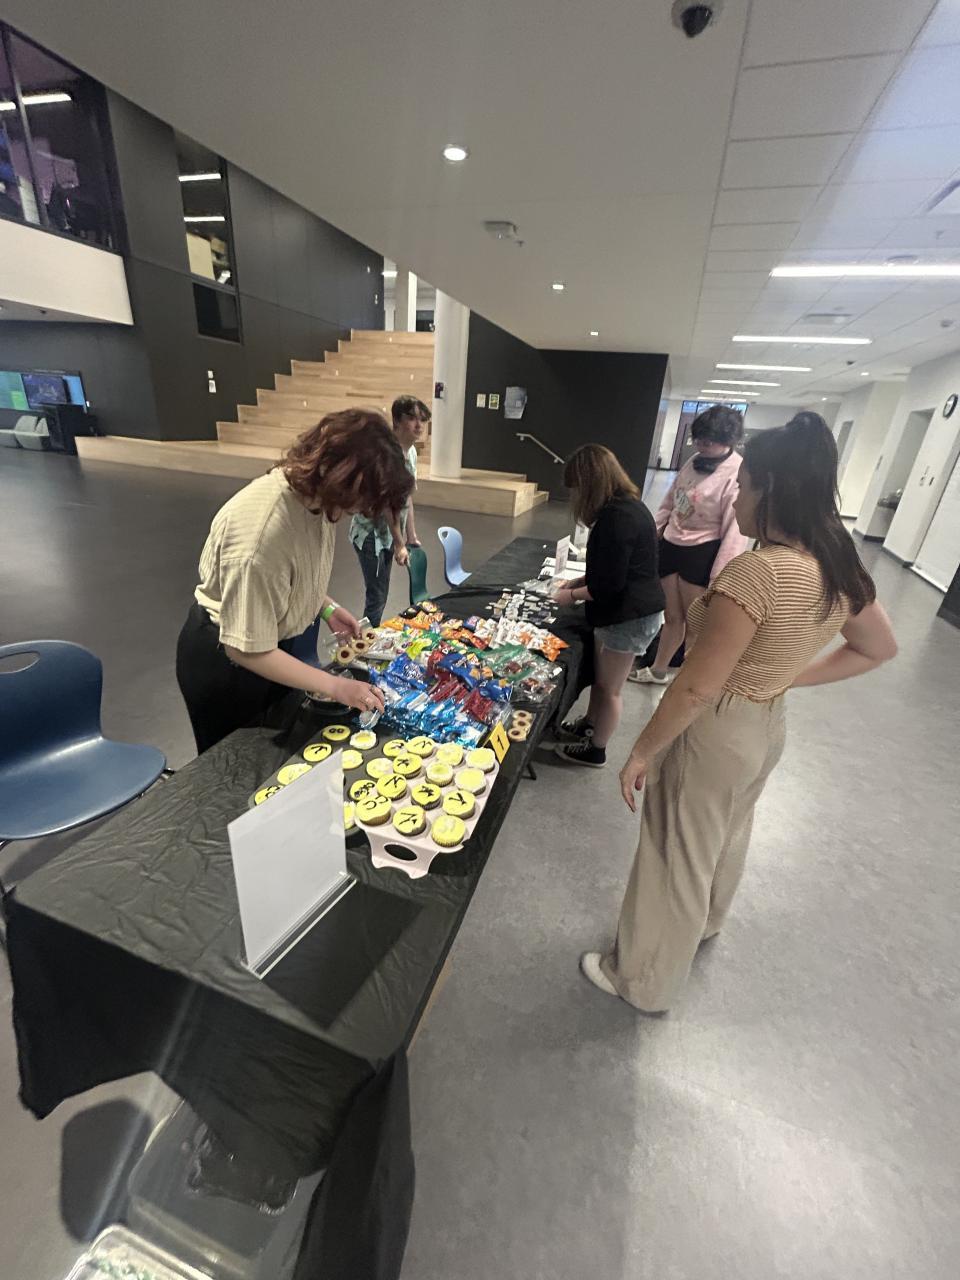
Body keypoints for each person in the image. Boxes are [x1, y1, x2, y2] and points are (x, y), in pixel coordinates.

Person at [580, 412, 897, 1012]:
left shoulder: (758, 573)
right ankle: (704, 923)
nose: (737, 497)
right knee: (725, 832)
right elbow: (878, 647)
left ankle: (643, 981)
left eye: (744, 486)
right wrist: (784, 677)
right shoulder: (837, 562)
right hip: (766, 722)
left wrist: (641, 751)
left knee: (676, 850)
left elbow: (695, 688)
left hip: (718, 729)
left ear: (770, 490)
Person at [176, 408, 413, 753]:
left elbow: (290, 573)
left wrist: (326, 607)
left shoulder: (315, 499)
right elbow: (246, 648)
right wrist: (336, 686)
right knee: (235, 764)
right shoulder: (261, 538)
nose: (360, 511)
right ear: (340, 477)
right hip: (228, 665)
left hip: (267, 643)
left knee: (276, 750)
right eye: (360, 501)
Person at [552, 444, 666, 769]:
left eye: (577, 489)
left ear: (590, 484)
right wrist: (579, 581)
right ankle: (590, 724)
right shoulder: (626, 508)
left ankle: (596, 749)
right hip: (626, 613)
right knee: (602, 684)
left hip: (629, 617)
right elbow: (612, 568)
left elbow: (609, 586)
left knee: (611, 689)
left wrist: (571, 596)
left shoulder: (617, 518)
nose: (575, 497)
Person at [631, 404, 749, 685]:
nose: (702, 445)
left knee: (696, 623)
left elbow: (735, 528)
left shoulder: (735, 472)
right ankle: (659, 670)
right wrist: (653, 533)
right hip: (673, 543)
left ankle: (687, 679)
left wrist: (721, 575)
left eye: (709, 441)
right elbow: (671, 499)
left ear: (728, 440)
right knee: (672, 617)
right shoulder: (694, 460)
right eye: (699, 439)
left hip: (703, 551)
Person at [349, 396, 429, 626]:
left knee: (380, 593)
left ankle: (368, 636)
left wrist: (411, 536)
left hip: (388, 535)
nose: (419, 425)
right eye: (412, 418)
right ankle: (365, 639)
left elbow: (406, 497)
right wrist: (399, 543)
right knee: (377, 596)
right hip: (371, 537)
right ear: (397, 421)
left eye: (422, 419)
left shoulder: (411, 453)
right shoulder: (385, 456)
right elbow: (387, 505)